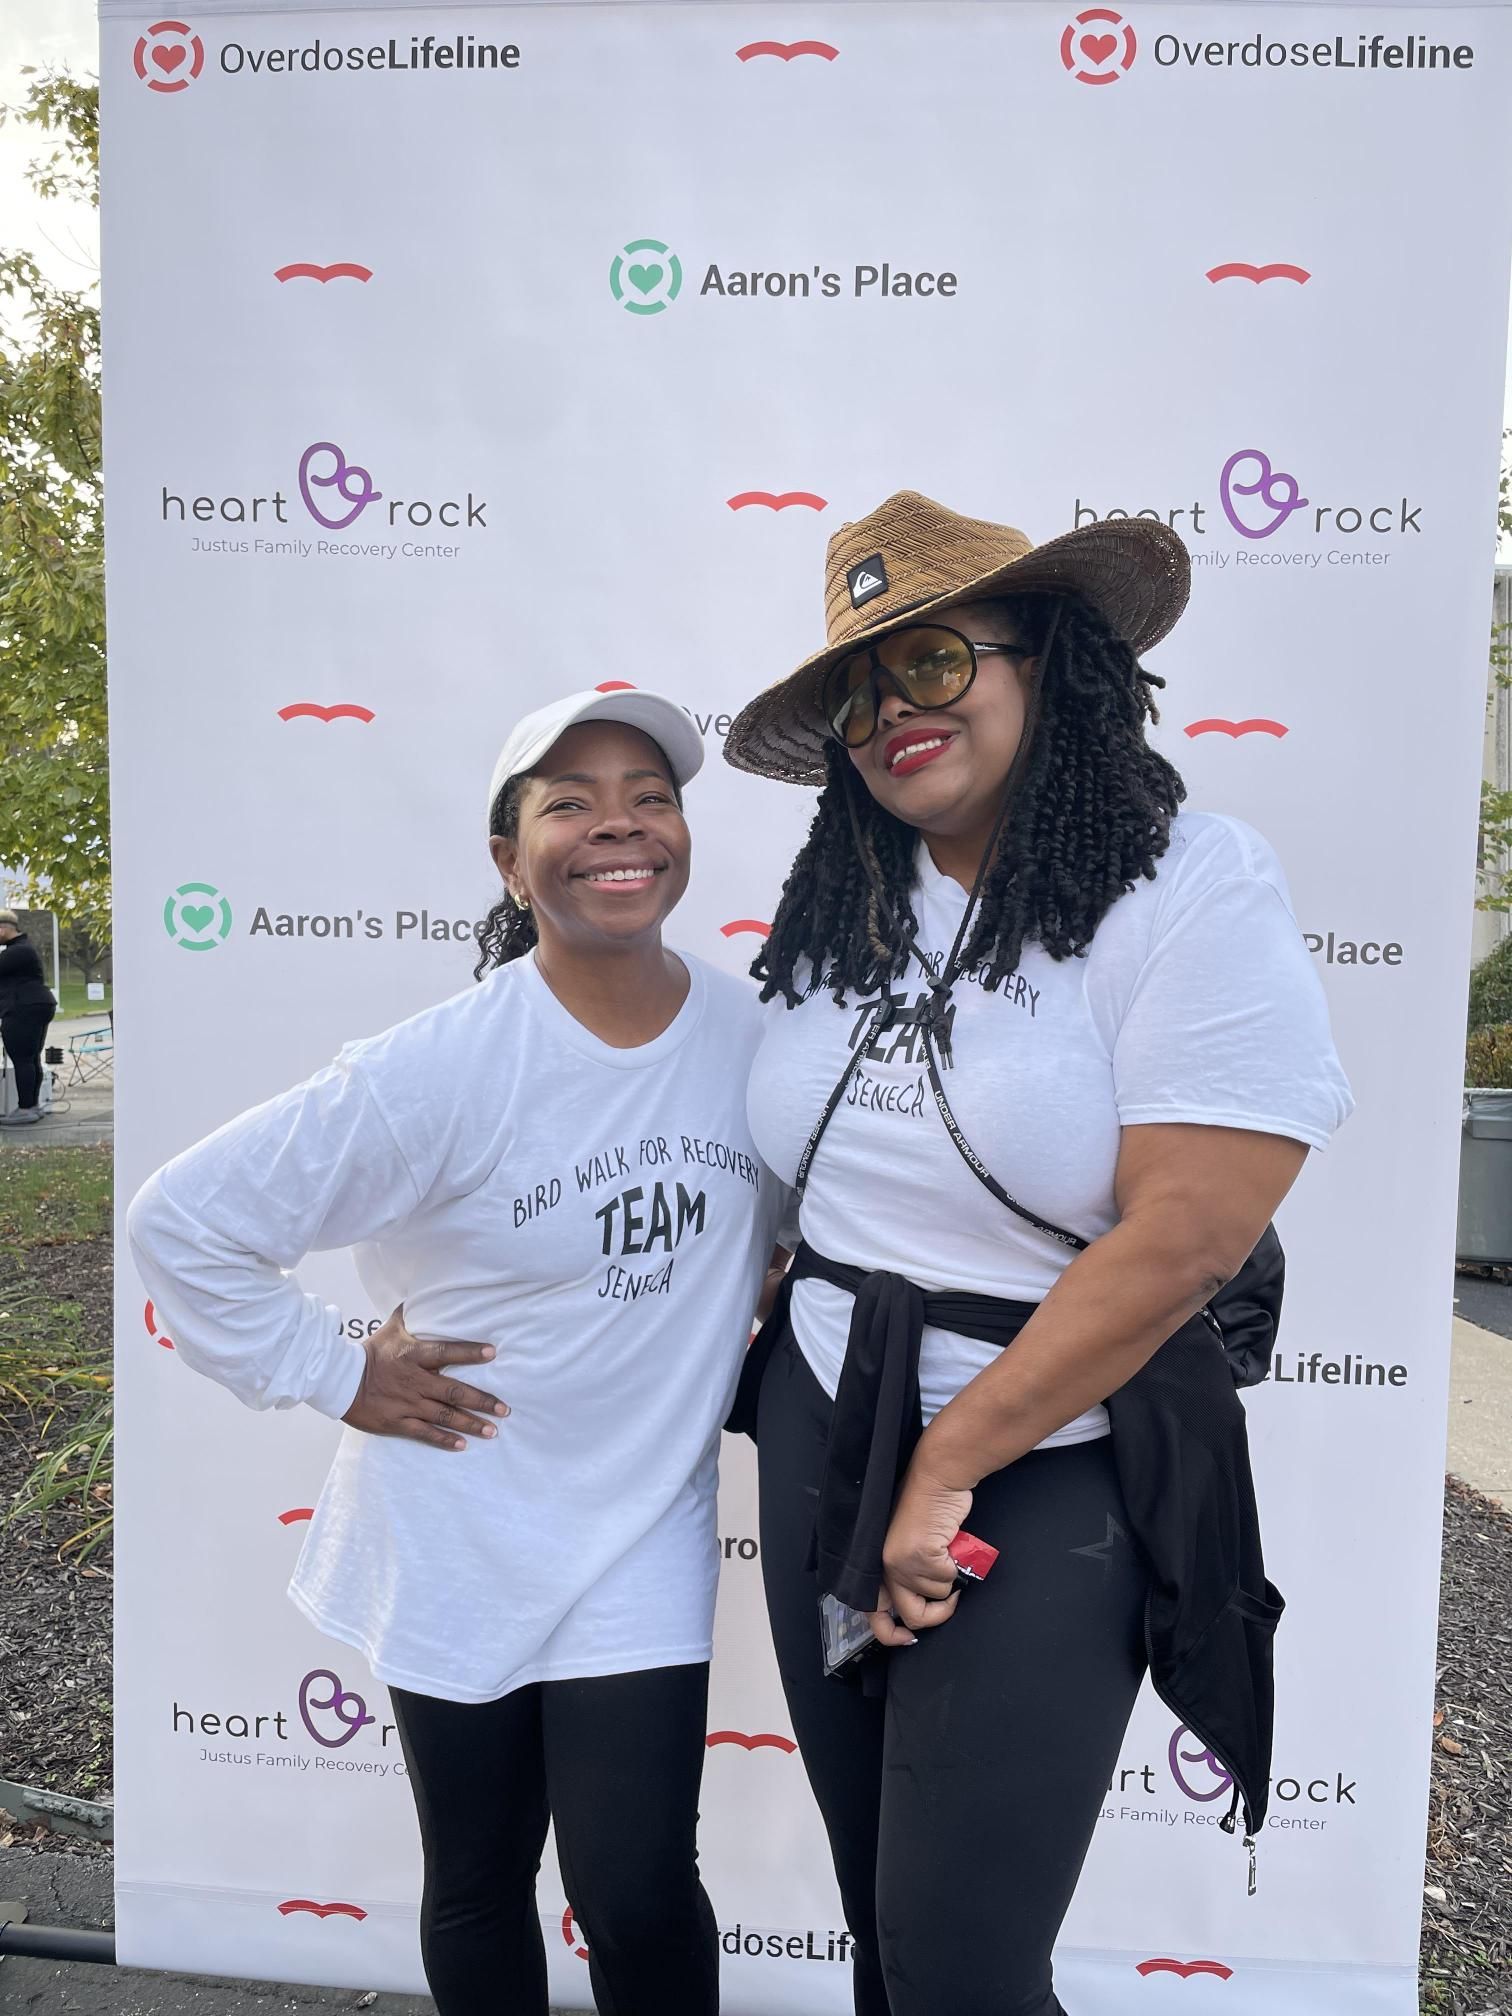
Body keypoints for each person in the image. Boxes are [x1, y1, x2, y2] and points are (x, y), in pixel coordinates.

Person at [723, 490, 1354, 2016]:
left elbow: (1190, 1232)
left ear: (1047, 661)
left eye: (932, 662)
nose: (892, 713)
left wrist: (943, 1472)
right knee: (880, 1908)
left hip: (1050, 1445)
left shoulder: (1188, 881)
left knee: (962, 1963)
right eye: (860, 691)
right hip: (826, 1415)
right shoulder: (848, 902)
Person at [129, 689, 789, 2016]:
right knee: (481, 1879)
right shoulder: (439, 1068)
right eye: (571, 801)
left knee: (639, 1888)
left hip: (639, 1531)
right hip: (456, 1525)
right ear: (509, 859)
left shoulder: (755, 1039)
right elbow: (182, 1222)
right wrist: (338, 1369)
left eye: (649, 797)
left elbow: (796, 1222)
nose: (619, 826)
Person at [0, 910, 57, 1128]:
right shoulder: (24, 949)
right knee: (31, 1058)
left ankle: (25, 1108)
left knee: (22, 1057)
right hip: (37, 1004)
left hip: (23, 1007)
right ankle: (31, 1106)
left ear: (3, 929)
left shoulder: (17, 952)